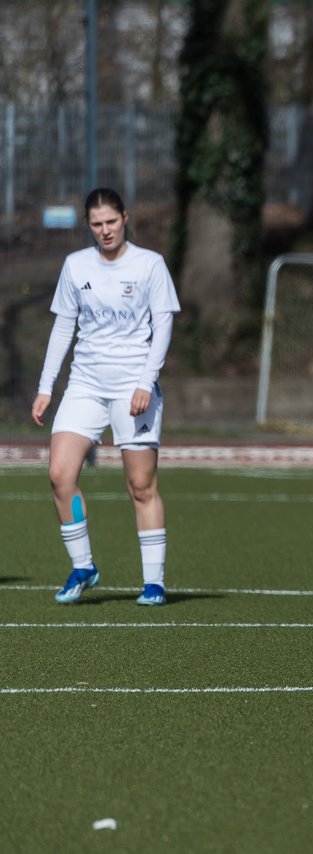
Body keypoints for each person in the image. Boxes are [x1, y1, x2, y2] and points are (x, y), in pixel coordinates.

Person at [32, 188, 181, 607]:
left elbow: (163, 325)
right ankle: (84, 567)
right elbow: (63, 328)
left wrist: (146, 382)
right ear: (89, 226)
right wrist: (47, 387)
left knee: (140, 484)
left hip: (134, 385)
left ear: (125, 218)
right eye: (96, 225)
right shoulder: (75, 266)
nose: (105, 231)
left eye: (111, 222)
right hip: (85, 385)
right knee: (60, 475)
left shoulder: (150, 264)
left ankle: (154, 582)